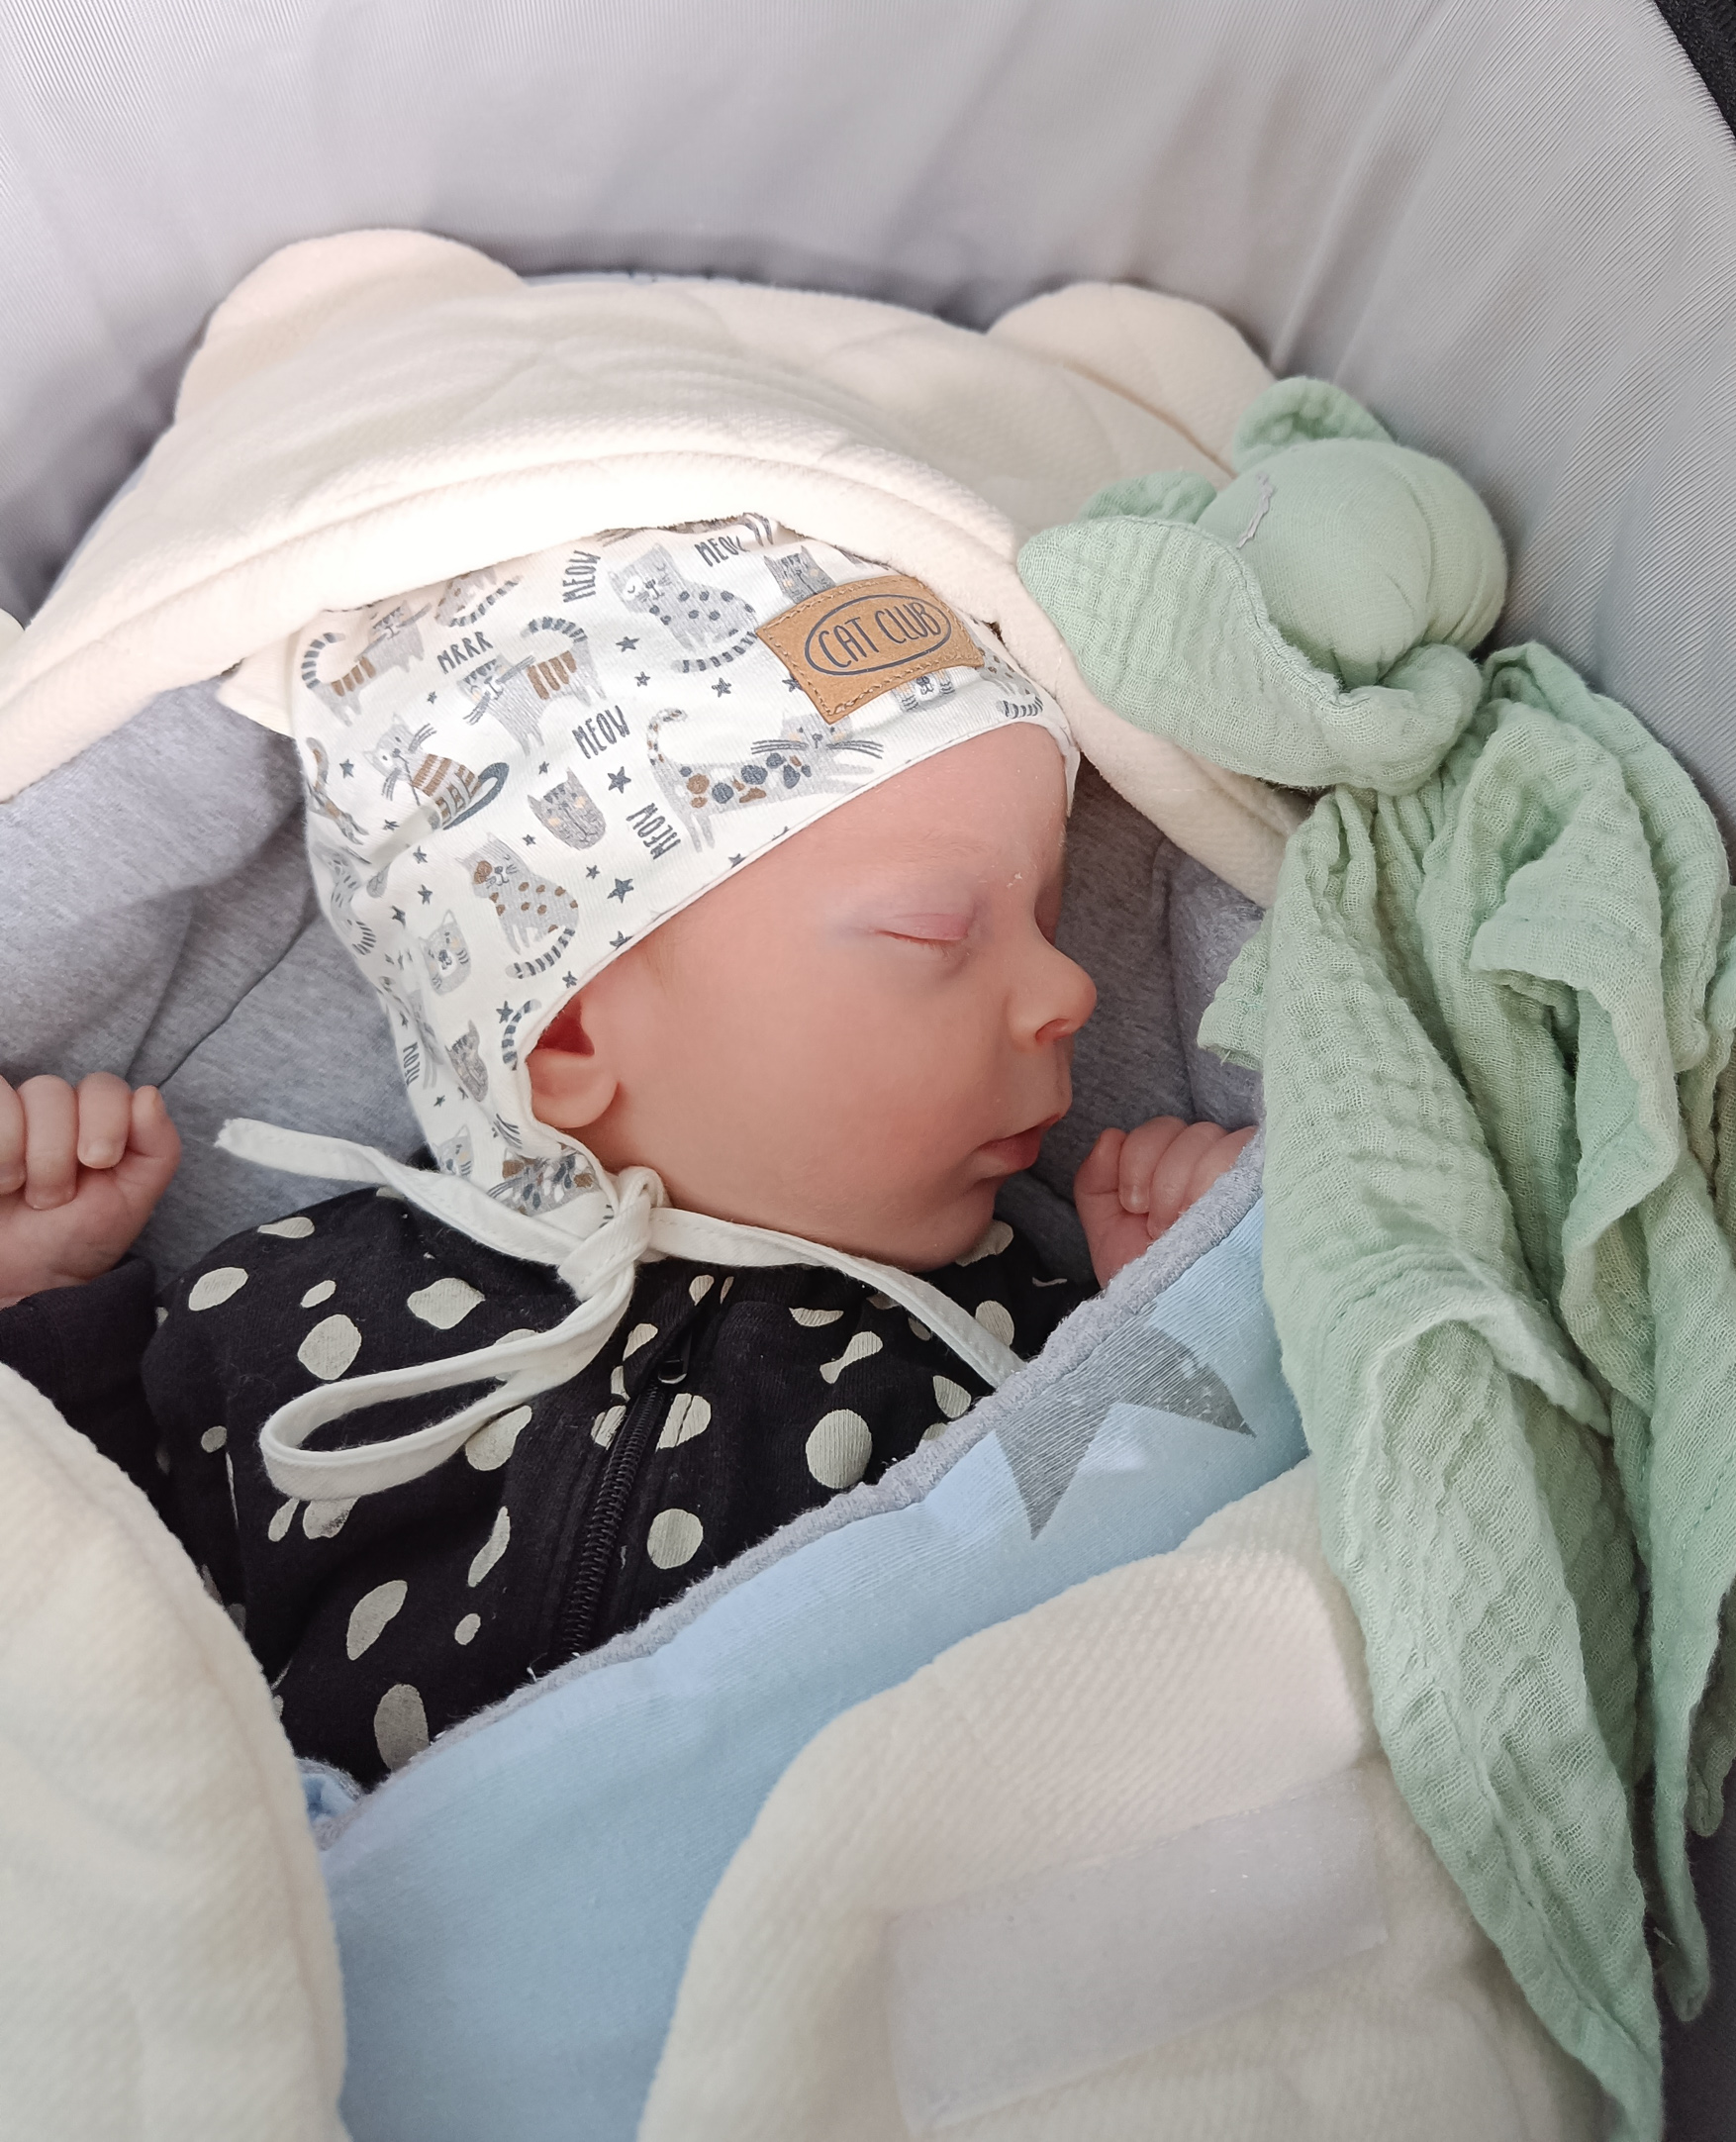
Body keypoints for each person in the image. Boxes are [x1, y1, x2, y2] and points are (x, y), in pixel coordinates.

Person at [0, 521, 1251, 1785]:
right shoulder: (290, 1316)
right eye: (938, 931)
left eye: (1048, 921)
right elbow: (97, 1641)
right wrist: (45, 1313)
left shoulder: (1033, 1343)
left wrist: (1186, 1305)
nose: (1071, 990)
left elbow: (1166, 1632)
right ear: (567, 1034)